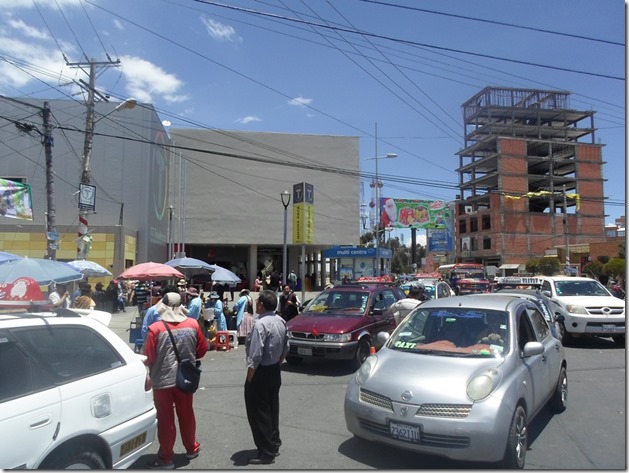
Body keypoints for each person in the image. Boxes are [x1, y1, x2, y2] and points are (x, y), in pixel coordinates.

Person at [144, 292, 208, 469]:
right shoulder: (193, 325)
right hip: (185, 379)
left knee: (166, 420)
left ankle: (166, 458)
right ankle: (191, 448)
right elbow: (202, 350)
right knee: (187, 414)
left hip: (162, 381)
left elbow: (148, 357)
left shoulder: (155, 329)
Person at [244, 289, 289, 465]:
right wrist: (278, 362)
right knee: (272, 408)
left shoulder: (260, 324)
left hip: (260, 371)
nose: (256, 304)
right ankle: (274, 444)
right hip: (274, 370)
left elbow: (255, 356)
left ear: (261, 305)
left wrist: (249, 378)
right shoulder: (281, 321)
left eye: (257, 302)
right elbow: (286, 347)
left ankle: (266, 452)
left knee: (259, 413)